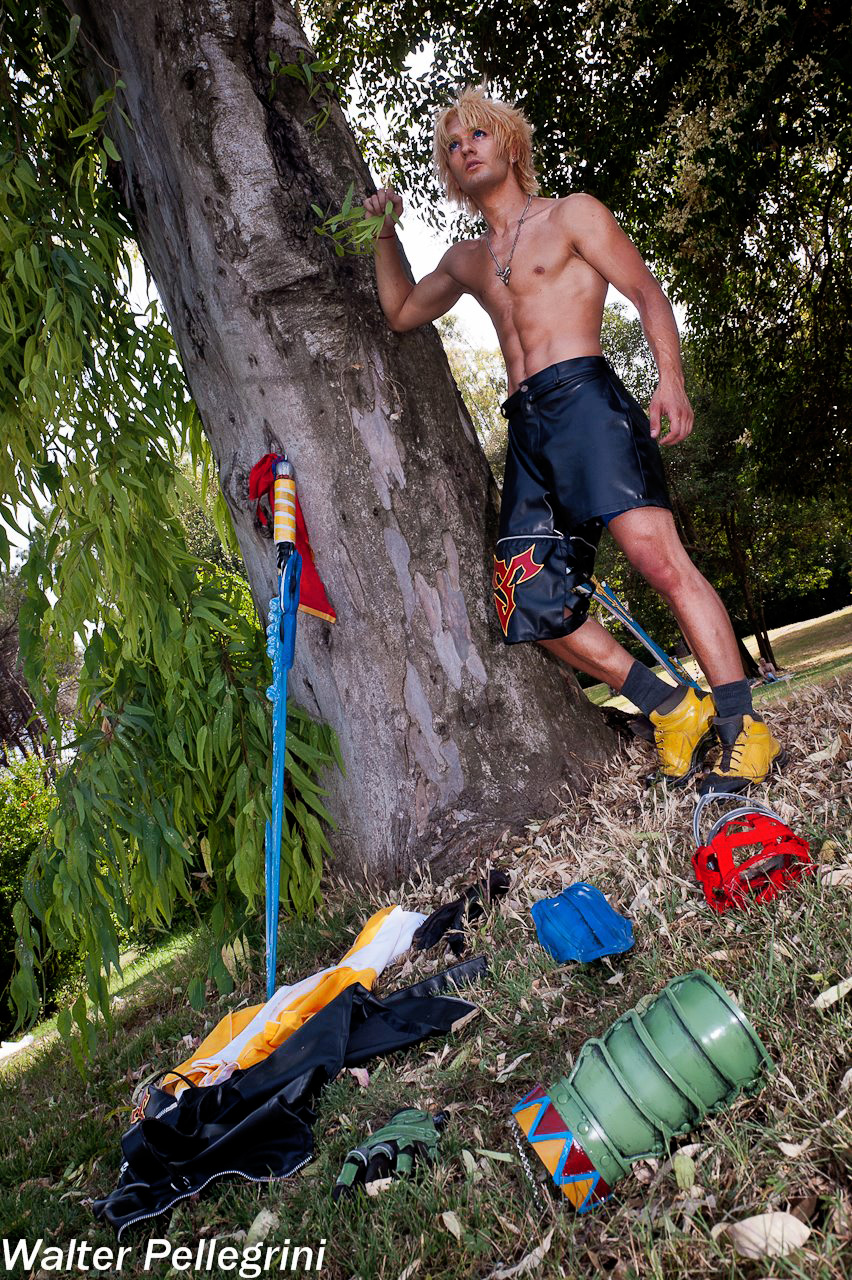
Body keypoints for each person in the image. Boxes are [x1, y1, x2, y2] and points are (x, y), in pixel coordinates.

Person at [362, 86, 784, 795]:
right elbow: (402, 311)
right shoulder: (467, 259)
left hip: (587, 401)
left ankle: (744, 729)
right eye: (452, 146)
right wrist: (382, 230)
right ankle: (674, 710)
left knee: (659, 559)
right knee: (527, 605)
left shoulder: (573, 215)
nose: (465, 150)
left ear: (510, 144)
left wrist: (670, 381)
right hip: (527, 425)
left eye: (477, 137)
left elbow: (647, 292)